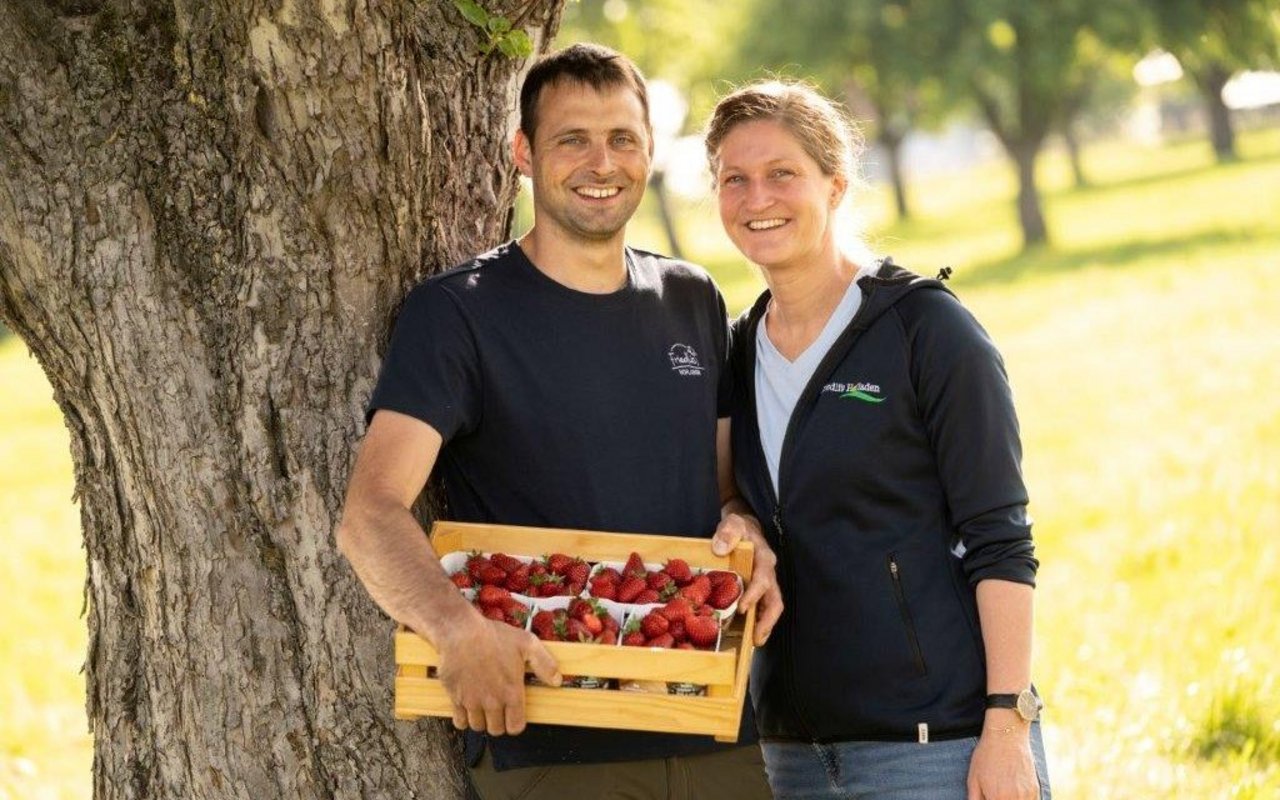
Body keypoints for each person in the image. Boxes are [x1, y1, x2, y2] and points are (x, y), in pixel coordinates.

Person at [336, 44, 781, 800]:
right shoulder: (458, 313)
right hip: (551, 742)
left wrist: (747, 533)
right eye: (573, 139)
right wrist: (456, 630)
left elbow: (722, 492)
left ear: (648, 151)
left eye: (622, 139)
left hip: (711, 724)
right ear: (524, 154)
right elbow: (369, 513)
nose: (601, 163)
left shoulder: (692, 298)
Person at [702, 80, 1051, 800]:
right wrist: (740, 520)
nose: (757, 198)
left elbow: (1000, 537)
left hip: (937, 747)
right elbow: (734, 496)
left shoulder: (926, 330)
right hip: (791, 752)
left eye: (782, 174)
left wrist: (1007, 726)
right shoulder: (735, 350)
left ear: (835, 185)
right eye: (734, 179)